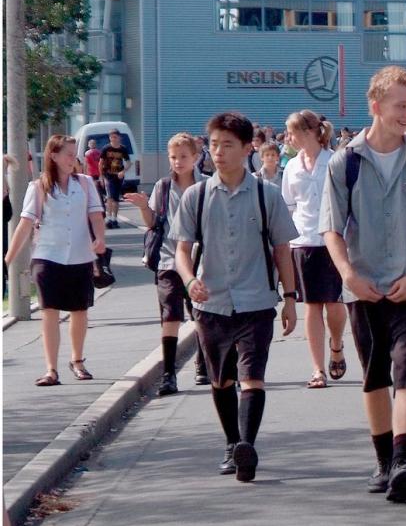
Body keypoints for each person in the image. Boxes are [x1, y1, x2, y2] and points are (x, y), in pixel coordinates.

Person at [321, 66, 406, 503]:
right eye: (401, 106)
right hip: (364, 286)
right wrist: (349, 276)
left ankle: (403, 459)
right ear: (375, 106)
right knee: (375, 376)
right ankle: (382, 460)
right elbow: (332, 229)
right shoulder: (345, 163)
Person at [171, 112, 300, 481]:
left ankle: (247, 445)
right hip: (210, 305)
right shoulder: (196, 196)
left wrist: (289, 298)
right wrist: (189, 278)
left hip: (257, 302)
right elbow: (182, 250)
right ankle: (232, 443)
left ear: (248, 149)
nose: (219, 152)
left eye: (228, 145)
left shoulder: (266, 196)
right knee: (221, 380)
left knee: (253, 377)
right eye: (213, 145)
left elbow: (281, 250)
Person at [4, 136, 107, 386]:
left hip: (80, 256)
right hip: (47, 256)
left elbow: (95, 215)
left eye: (74, 154)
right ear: (53, 156)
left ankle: (77, 360)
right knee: (49, 312)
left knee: (79, 311)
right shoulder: (39, 186)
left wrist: (100, 239)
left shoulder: (84, 184)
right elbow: (25, 224)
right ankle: (51, 369)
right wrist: (7, 259)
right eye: (68, 154)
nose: (73, 158)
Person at [124, 133, 211, 395]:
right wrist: (142, 207)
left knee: (202, 316)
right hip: (168, 259)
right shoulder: (163, 187)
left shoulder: (207, 186)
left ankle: (203, 364)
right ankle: (169, 374)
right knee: (170, 316)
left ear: (195, 158)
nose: (178, 162)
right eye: (173, 157)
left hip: (201, 261)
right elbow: (152, 223)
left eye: (184, 157)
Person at [282, 110, 348, 390]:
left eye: (293, 133)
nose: (289, 138)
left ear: (309, 132)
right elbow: (289, 204)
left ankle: (336, 344)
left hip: (331, 239)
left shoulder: (333, 161)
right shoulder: (292, 166)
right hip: (302, 240)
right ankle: (318, 368)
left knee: (333, 304)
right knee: (311, 306)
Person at [99, 130, 131, 228]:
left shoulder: (123, 149)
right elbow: (100, 162)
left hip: (118, 176)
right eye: (111, 137)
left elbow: (129, 162)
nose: (113, 139)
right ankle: (108, 218)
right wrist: (101, 176)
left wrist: (123, 172)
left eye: (115, 137)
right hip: (108, 175)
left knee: (116, 198)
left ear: (119, 138)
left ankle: (114, 219)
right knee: (110, 197)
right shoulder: (106, 148)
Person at [84, 137, 104, 203]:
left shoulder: (87, 153)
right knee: (99, 190)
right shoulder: (100, 152)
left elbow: (86, 164)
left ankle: (95, 202)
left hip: (91, 173)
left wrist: (84, 174)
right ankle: (101, 203)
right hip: (99, 173)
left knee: (92, 189)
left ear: (89, 145)